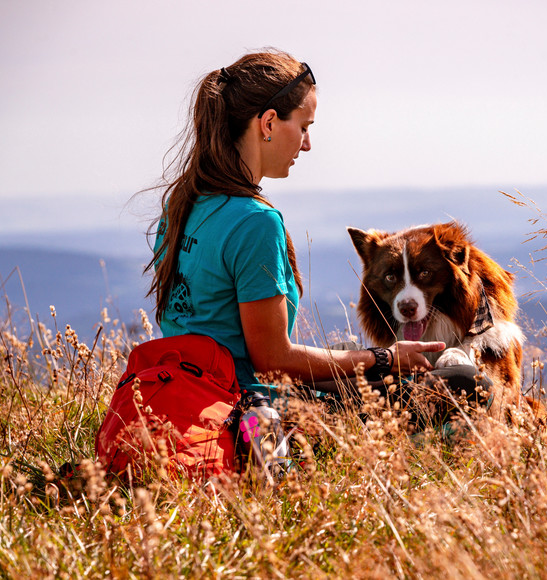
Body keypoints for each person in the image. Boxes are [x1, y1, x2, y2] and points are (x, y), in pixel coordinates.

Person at [145, 50, 446, 402]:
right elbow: (273, 361)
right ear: (268, 123)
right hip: (251, 409)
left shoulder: (184, 200)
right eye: (303, 127)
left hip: (187, 393)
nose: (306, 144)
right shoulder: (255, 222)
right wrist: (385, 358)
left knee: (346, 354)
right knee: (461, 384)